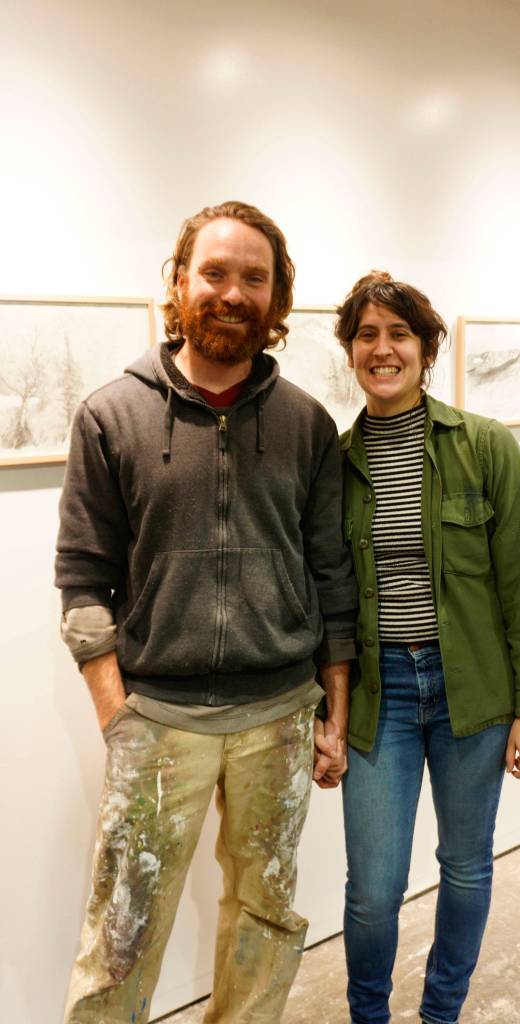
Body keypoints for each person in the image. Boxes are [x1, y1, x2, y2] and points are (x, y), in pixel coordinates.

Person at [55, 200, 357, 1024]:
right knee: (121, 935)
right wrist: (119, 716)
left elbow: (331, 578)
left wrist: (332, 713)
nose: (231, 293)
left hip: (281, 717)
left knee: (266, 917)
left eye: (253, 278)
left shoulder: (305, 424)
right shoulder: (111, 415)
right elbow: (82, 578)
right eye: (214, 272)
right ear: (180, 282)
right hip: (159, 721)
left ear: (275, 297)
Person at [334, 271, 520, 1024]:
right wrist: (326, 709)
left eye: (399, 334)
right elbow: (324, 598)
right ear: (350, 351)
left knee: (464, 865)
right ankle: (369, 1015)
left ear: (427, 350)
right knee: (372, 890)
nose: (383, 349)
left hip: (474, 692)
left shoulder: (484, 446)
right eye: (367, 334)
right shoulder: (335, 463)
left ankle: (441, 1013)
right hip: (380, 698)